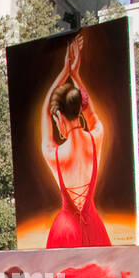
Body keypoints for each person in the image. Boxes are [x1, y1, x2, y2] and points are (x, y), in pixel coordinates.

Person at [41, 34, 109, 248]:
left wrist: (64, 72)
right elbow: (92, 113)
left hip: (64, 231)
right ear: (79, 108)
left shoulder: (53, 154)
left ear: (58, 117)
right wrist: (76, 75)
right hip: (93, 227)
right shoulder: (97, 135)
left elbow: (44, 110)